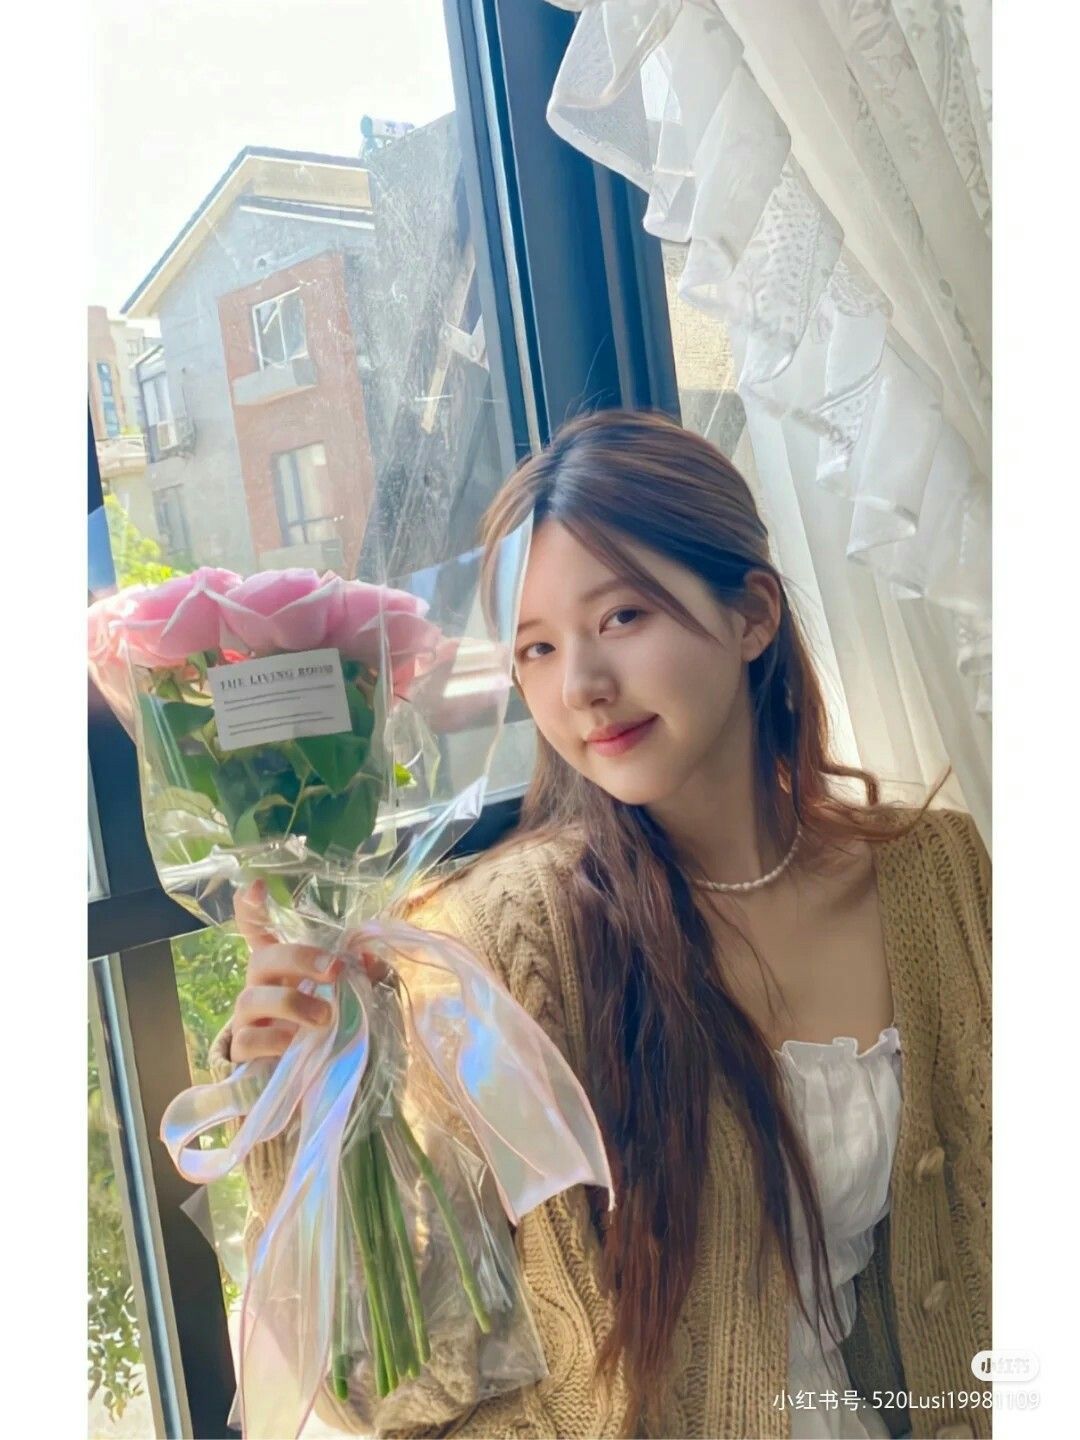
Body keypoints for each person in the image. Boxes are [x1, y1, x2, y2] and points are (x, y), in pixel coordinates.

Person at [211, 409, 991, 1440]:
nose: (580, 686)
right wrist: (302, 1101)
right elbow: (384, 1387)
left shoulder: (939, 875)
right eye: (535, 648)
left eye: (621, 617)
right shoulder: (497, 948)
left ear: (753, 614)